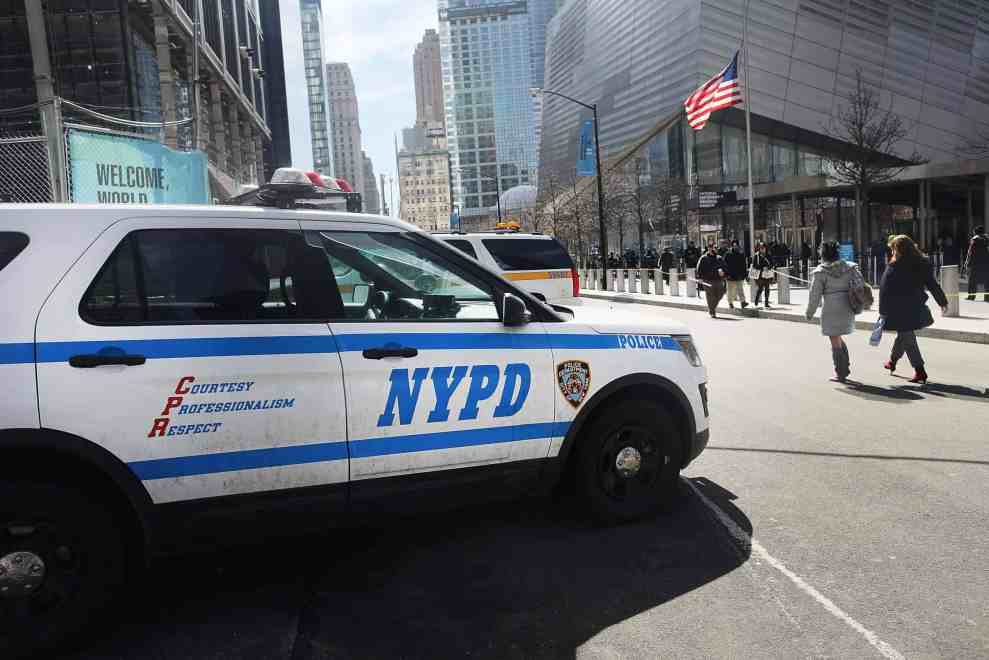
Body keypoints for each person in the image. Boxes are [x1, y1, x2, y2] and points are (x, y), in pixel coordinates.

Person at [880, 235, 949, 384]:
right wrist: (942, 302)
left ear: (898, 249)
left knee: (907, 337)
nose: (892, 252)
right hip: (915, 306)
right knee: (904, 335)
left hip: (899, 308)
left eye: (893, 249)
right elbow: (932, 284)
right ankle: (892, 361)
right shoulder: (920, 263)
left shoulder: (895, 265)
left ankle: (920, 371)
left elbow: (884, 290)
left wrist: (882, 311)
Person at [805, 241, 860, 383]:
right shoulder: (850, 268)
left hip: (830, 309)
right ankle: (845, 367)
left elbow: (814, 296)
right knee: (838, 337)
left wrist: (809, 313)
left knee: (835, 339)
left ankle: (840, 373)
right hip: (848, 306)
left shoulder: (820, 272)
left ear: (822, 254)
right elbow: (861, 285)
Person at [696, 242, 727, 318]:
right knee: (710, 296)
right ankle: (712, 311)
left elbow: (725, 267)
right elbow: (699, 268)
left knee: (720, 294)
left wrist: (723, 272)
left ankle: (712, 308)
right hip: (707, 280)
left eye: (713, 247)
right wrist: (700, 277)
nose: (712, 249)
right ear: (708, 248)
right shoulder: (703, 258)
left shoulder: (719, 258)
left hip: (718, 280)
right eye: (710, 247)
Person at [965, 225, 989, 301]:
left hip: (975, 263)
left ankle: (971, 296)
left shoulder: (974, 239)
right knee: (987, 281)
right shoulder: (987, 239)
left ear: (975, 232)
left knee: (972, 281)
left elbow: (970, 252)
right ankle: (987, 297)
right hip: (986, 263)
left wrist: (967, 263)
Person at [723, 240, 749, 310]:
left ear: (738, 245)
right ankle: (730, 303)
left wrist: (744, 275)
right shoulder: (727, 254)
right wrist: (726, 274)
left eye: (736, 245)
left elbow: (744, 265)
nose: (735, 246)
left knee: (740, 290)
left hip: (738, 276)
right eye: (734, 245)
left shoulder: (741, 254)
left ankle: (743, 302)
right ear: (732, 246)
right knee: (730, 291)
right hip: (730, 276)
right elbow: (724, 264)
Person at [752, 244, 774, 308]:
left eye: (763, 248)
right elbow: (754, 265)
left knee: (767, 288)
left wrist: (768, 267)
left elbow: (772, 263)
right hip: (760, 275)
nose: (762, 249)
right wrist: (762, 268)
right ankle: (757, 298)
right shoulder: (756, 256)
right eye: (761, 248)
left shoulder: (768, 255)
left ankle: (766, 303)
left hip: (767, 274)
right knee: (760, 288)